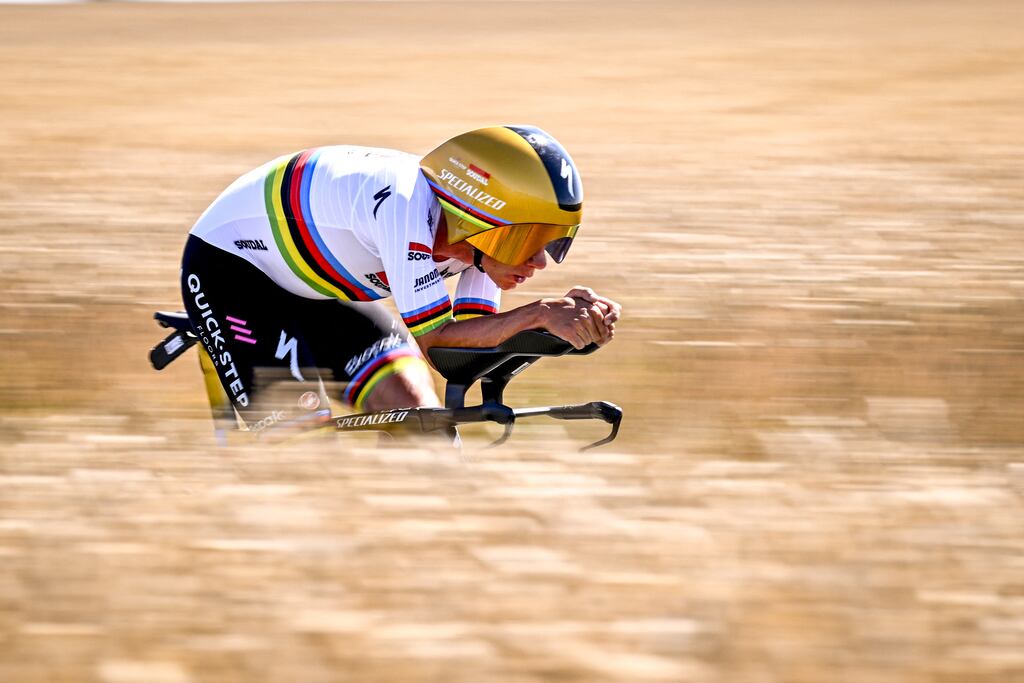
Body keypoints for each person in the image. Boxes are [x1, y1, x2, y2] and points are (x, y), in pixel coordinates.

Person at [180, 124, 621, 432]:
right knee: (297, 446)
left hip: (321, 290)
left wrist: (563, 334)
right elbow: (437, 343)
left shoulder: (475, 244)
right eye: (527, 240)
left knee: (419, 419)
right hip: (232, 274)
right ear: (478, 220)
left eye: (553, 240)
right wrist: (539, 314)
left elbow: (467, 354)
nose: (541, 262)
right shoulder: (405, 206)